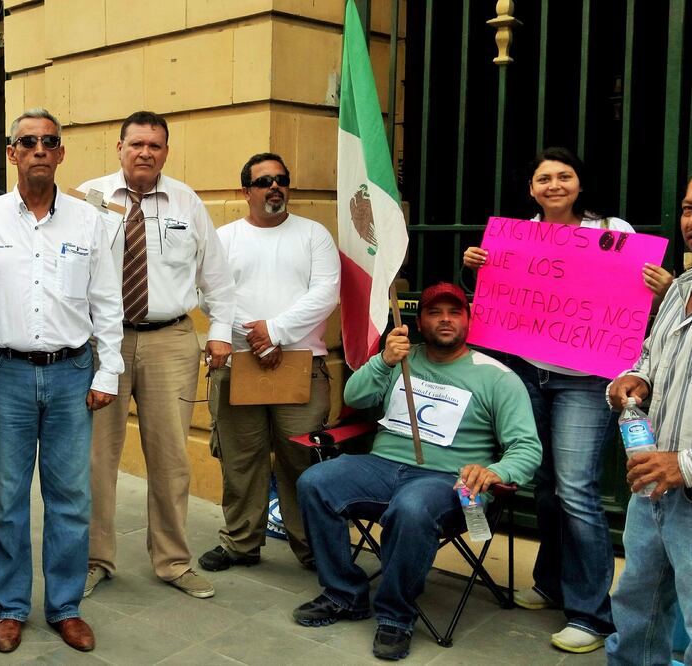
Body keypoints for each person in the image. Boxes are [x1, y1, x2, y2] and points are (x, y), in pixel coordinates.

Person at [462, 146, 672, 653]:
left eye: (563, 176)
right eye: (543, 179)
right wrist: (477, 269)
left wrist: (663, 289)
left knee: (577, 489)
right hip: (531, 372)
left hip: (584, 379)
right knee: (548, 485)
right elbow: (499, 295)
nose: (554, 185)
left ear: (579, 184)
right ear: (531, 189)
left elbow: (641, 303)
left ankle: (592, 614)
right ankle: (552, 583)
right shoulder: (521, 236)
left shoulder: (614, 231)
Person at [293, 283, 542, 660]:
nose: (445, 320)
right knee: (315, 482)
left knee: (411, 507)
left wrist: (494, 471)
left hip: (448, 480)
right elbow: (355, 398)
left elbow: (527, 447)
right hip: (383, 465)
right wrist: (383, 361)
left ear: (468, 321)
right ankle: (344, 594)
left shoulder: (497, 378)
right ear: (419, 322)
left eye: (454, 312)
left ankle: (395, 615)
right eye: (434, 313)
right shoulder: (401, 360)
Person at [0, 108, 123, 654]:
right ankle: (9, 606)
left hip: (73, 373)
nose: (40, 150)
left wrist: (109, 369)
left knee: (70, 496)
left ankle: (66, 606)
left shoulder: (88, 221)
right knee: (6, 497)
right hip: (5, 373)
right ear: (12, 153)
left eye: (50, 141)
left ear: (61, 152)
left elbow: (107, 303)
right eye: (28, 142)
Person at [79, 110, 236, 600]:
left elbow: (218, 277)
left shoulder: (186, 201)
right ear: (119, 147)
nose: (145, 152)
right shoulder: (89, 197)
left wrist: (222, 332)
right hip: (102, 341)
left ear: (165, 152)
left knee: (170, 457)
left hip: (170, 339)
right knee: (95, 458)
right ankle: (94, 559)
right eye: (137, 143)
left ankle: (172, 561)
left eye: (156, 145)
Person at [198, 153, 339, 573]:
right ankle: (241, 542)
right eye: (264, 182)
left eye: (281, 180)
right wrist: (256, 336)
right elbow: (211, 296)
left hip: (299, 364)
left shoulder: (314, 235)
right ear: (247, 192)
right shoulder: (224, 238)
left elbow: (326, 293)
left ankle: (313, 547)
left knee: (303, 462)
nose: (274, 187)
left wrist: (274, 331)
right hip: (239, 362)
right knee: (241, 459)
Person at [604, 178, 692, 665]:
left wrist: (684, 465)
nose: (690, 223)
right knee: (637, 608)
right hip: (652, 489)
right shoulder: (681, 288)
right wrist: (633, 378)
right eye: (687, 208)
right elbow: (649, 358)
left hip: (684, 484)